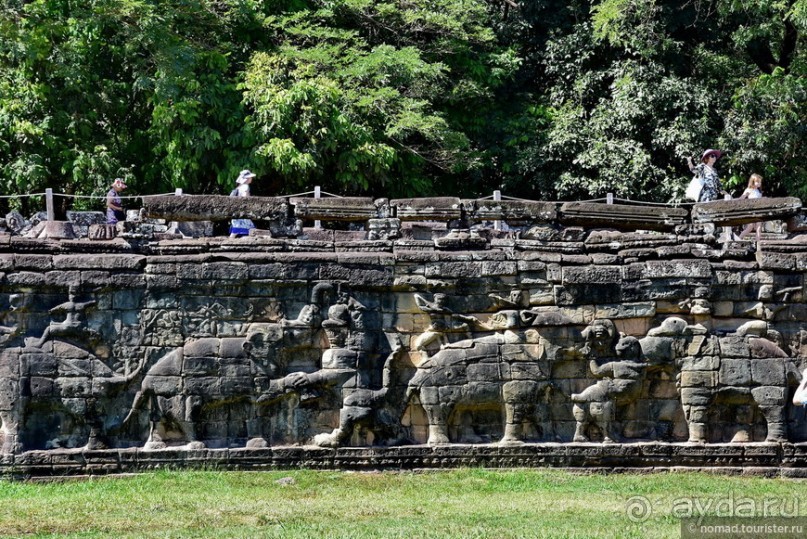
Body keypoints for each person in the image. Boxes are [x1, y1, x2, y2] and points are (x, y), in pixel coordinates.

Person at [229, 169, 256, 238]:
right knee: (251, 230)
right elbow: (245, 198)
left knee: (235, 231)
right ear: (247, 179)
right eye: (250, 177)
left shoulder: (239, 187)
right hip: (242, 212)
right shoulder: (245, 186)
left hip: (237, 212)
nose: (251, 178)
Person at [738, 173, 764, 241]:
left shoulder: (759, 192)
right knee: (750, 227)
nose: (759, 183)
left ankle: (758, 244)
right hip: (751, 211)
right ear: (752, 181)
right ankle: (738, 239)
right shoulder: (749, 189)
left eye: (760, 182)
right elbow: (742, 198)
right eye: (757, 182)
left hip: (758, 210)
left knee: (759, 227)